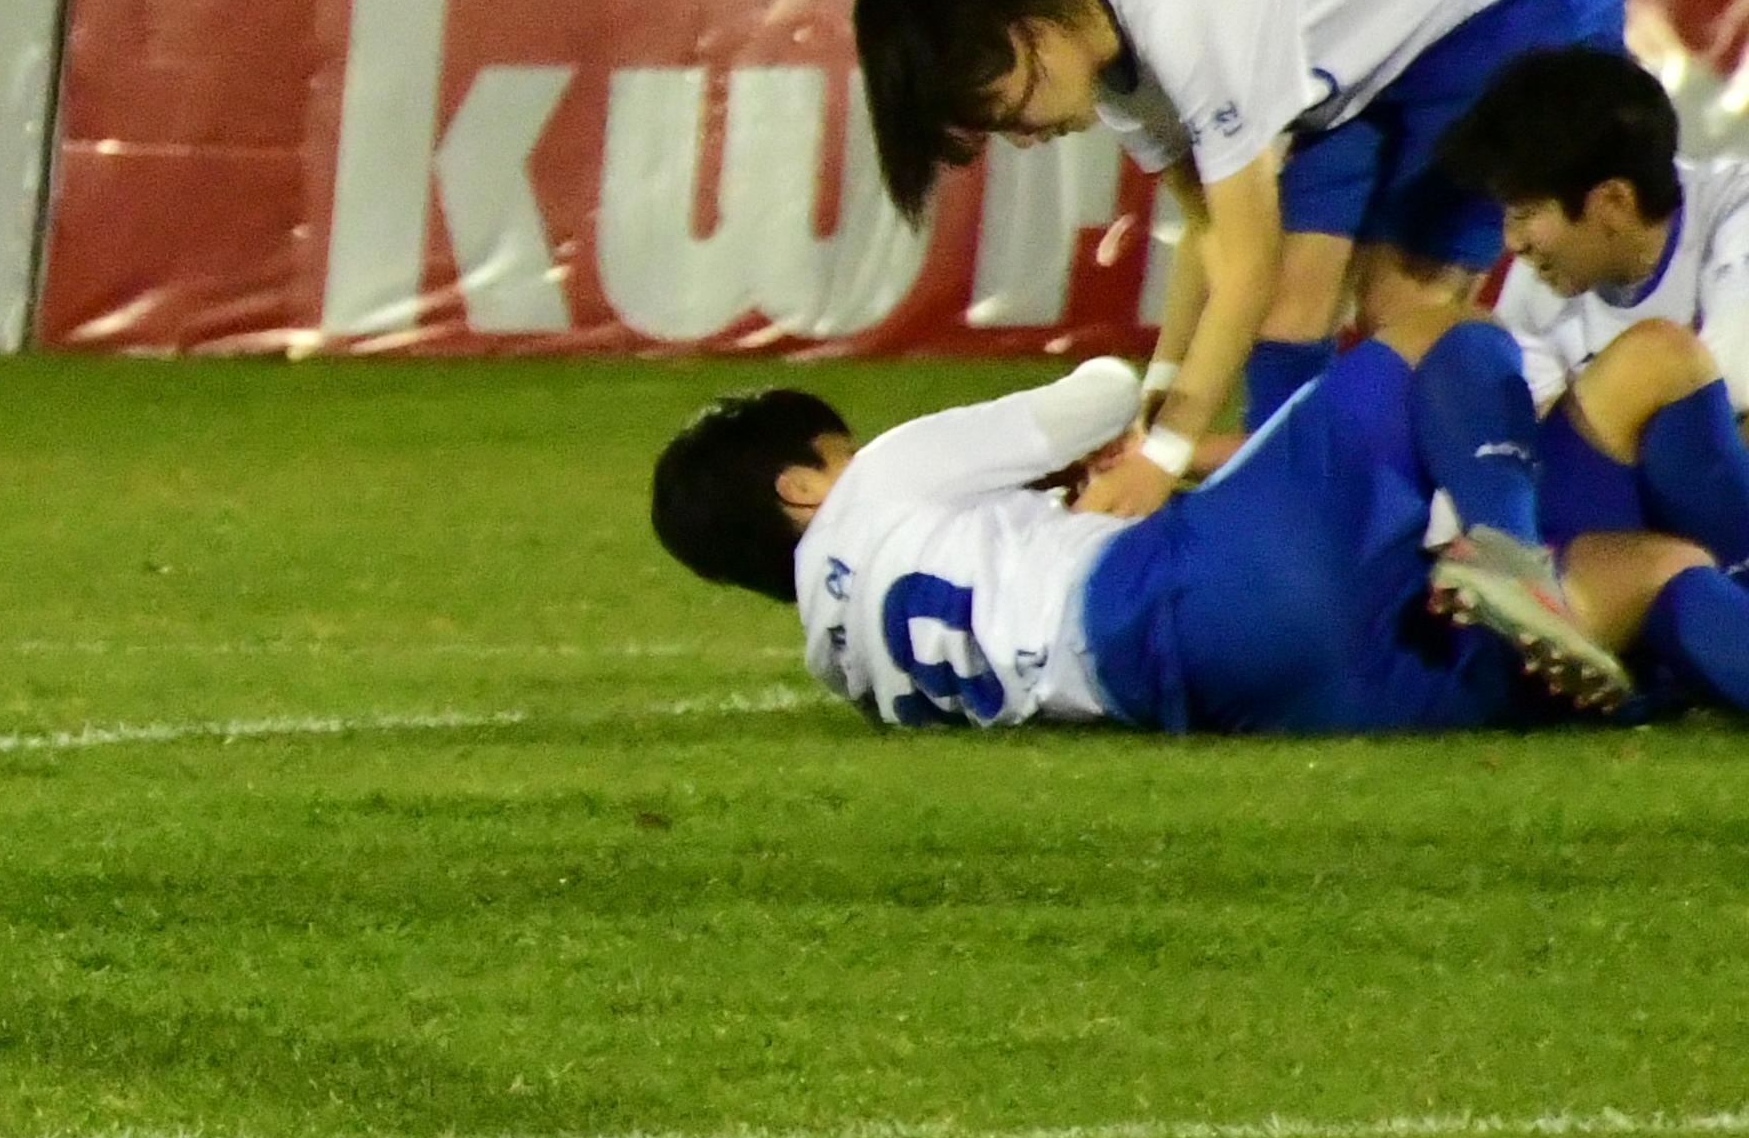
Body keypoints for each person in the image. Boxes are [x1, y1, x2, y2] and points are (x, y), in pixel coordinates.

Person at [850, 0, 1627, 665]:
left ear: (1029, 34)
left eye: (1011, 114)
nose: (1026, 140)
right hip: (1370, 29)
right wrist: (1160, 401)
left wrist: (1165, 456)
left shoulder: (1186, 9)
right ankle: (1316, 552)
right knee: (1298, 301)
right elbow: (1211, 239)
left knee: (1407, 310)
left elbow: (1243, 264)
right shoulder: (1092, 25)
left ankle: (1520, 554)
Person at [645, 331, 1749, 730]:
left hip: (1233, 698)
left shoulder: (839, 663)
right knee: (1436, 333)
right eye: (838, 447)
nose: (862, 449)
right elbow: (1098, 393)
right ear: (802, 487)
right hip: (1192, 584)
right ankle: (1505, 555)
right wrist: (1073, 452)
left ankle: (1575, 602)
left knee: (1656, 575)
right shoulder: (883, 478)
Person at [1442, 45, 1749, 570]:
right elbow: (1533, 449)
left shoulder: (1736, 214)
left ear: (1612, 202)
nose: (1511, 242)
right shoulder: (1540, 284)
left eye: (1527, 212)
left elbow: (1734, 396)